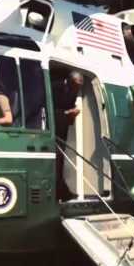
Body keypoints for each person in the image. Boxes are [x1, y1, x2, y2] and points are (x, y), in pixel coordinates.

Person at [52, 70, 84, 201]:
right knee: (55, 160)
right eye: (77, 85)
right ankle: (59, 191)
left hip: (62, 128)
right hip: (53, 128)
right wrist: (66, 113)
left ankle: (61, 191)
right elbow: (49, 108)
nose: (78, 88)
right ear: (69, 80)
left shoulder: (74, 90)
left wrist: (72, 113)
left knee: (60, 160)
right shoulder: (55, 86)